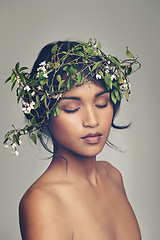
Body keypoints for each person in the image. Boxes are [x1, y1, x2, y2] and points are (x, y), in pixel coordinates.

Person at [4, 39, 141, 239]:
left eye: (102, 103)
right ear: (43, 115)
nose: (92, 121)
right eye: (72, 108)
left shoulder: (113, 176)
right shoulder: (42, 202)